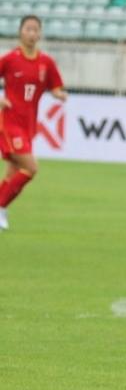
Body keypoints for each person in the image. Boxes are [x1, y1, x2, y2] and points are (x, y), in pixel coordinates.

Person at [0, 15, 66, 231]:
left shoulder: (45, 63)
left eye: (35, 29)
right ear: (20, 32)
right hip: (9, 123)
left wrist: (59, 95)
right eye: (28, 29)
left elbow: (56, 86)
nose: (31, 33)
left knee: (12, 174)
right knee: (31, 167)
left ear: (40, 34)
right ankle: (0, 207)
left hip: (29, 125)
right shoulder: (10, 59)